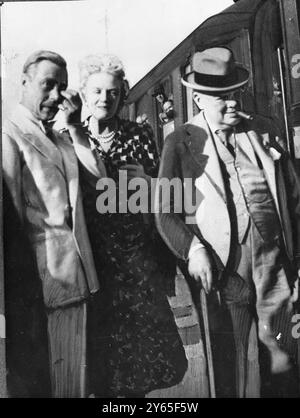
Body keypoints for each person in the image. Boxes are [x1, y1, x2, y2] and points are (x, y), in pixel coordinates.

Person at [155, 47, 300, 397]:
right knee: (235, 360)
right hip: (224, 267)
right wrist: (193, 249)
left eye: (235, 94)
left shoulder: (264, 130)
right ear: (200, 99)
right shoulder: (180, 142)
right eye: (222, 98)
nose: (233, 103)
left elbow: (295, 198)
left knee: (284, 355)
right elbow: (164, 210)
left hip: (273, 261)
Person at [76, 53, 187, 397]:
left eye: (111, 92)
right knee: (99, 367)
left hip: (136, 265)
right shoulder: (70, 139)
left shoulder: (139, 134)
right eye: (96, 92)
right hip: (94, 264)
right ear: (83, 94)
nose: (104, 100)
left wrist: (146, 185)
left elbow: (161, 195)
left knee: (140, 368)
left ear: (122, 94)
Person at [2, 50, 104, 397]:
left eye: (62, 87)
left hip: (76, 279)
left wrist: (75, 127)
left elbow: (99, 182)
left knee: (72, 383)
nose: (56, 96)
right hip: (42, 284)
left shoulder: (59, 137)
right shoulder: (9, 136)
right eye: (48, 85)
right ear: (25, 82)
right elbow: (11, 224)